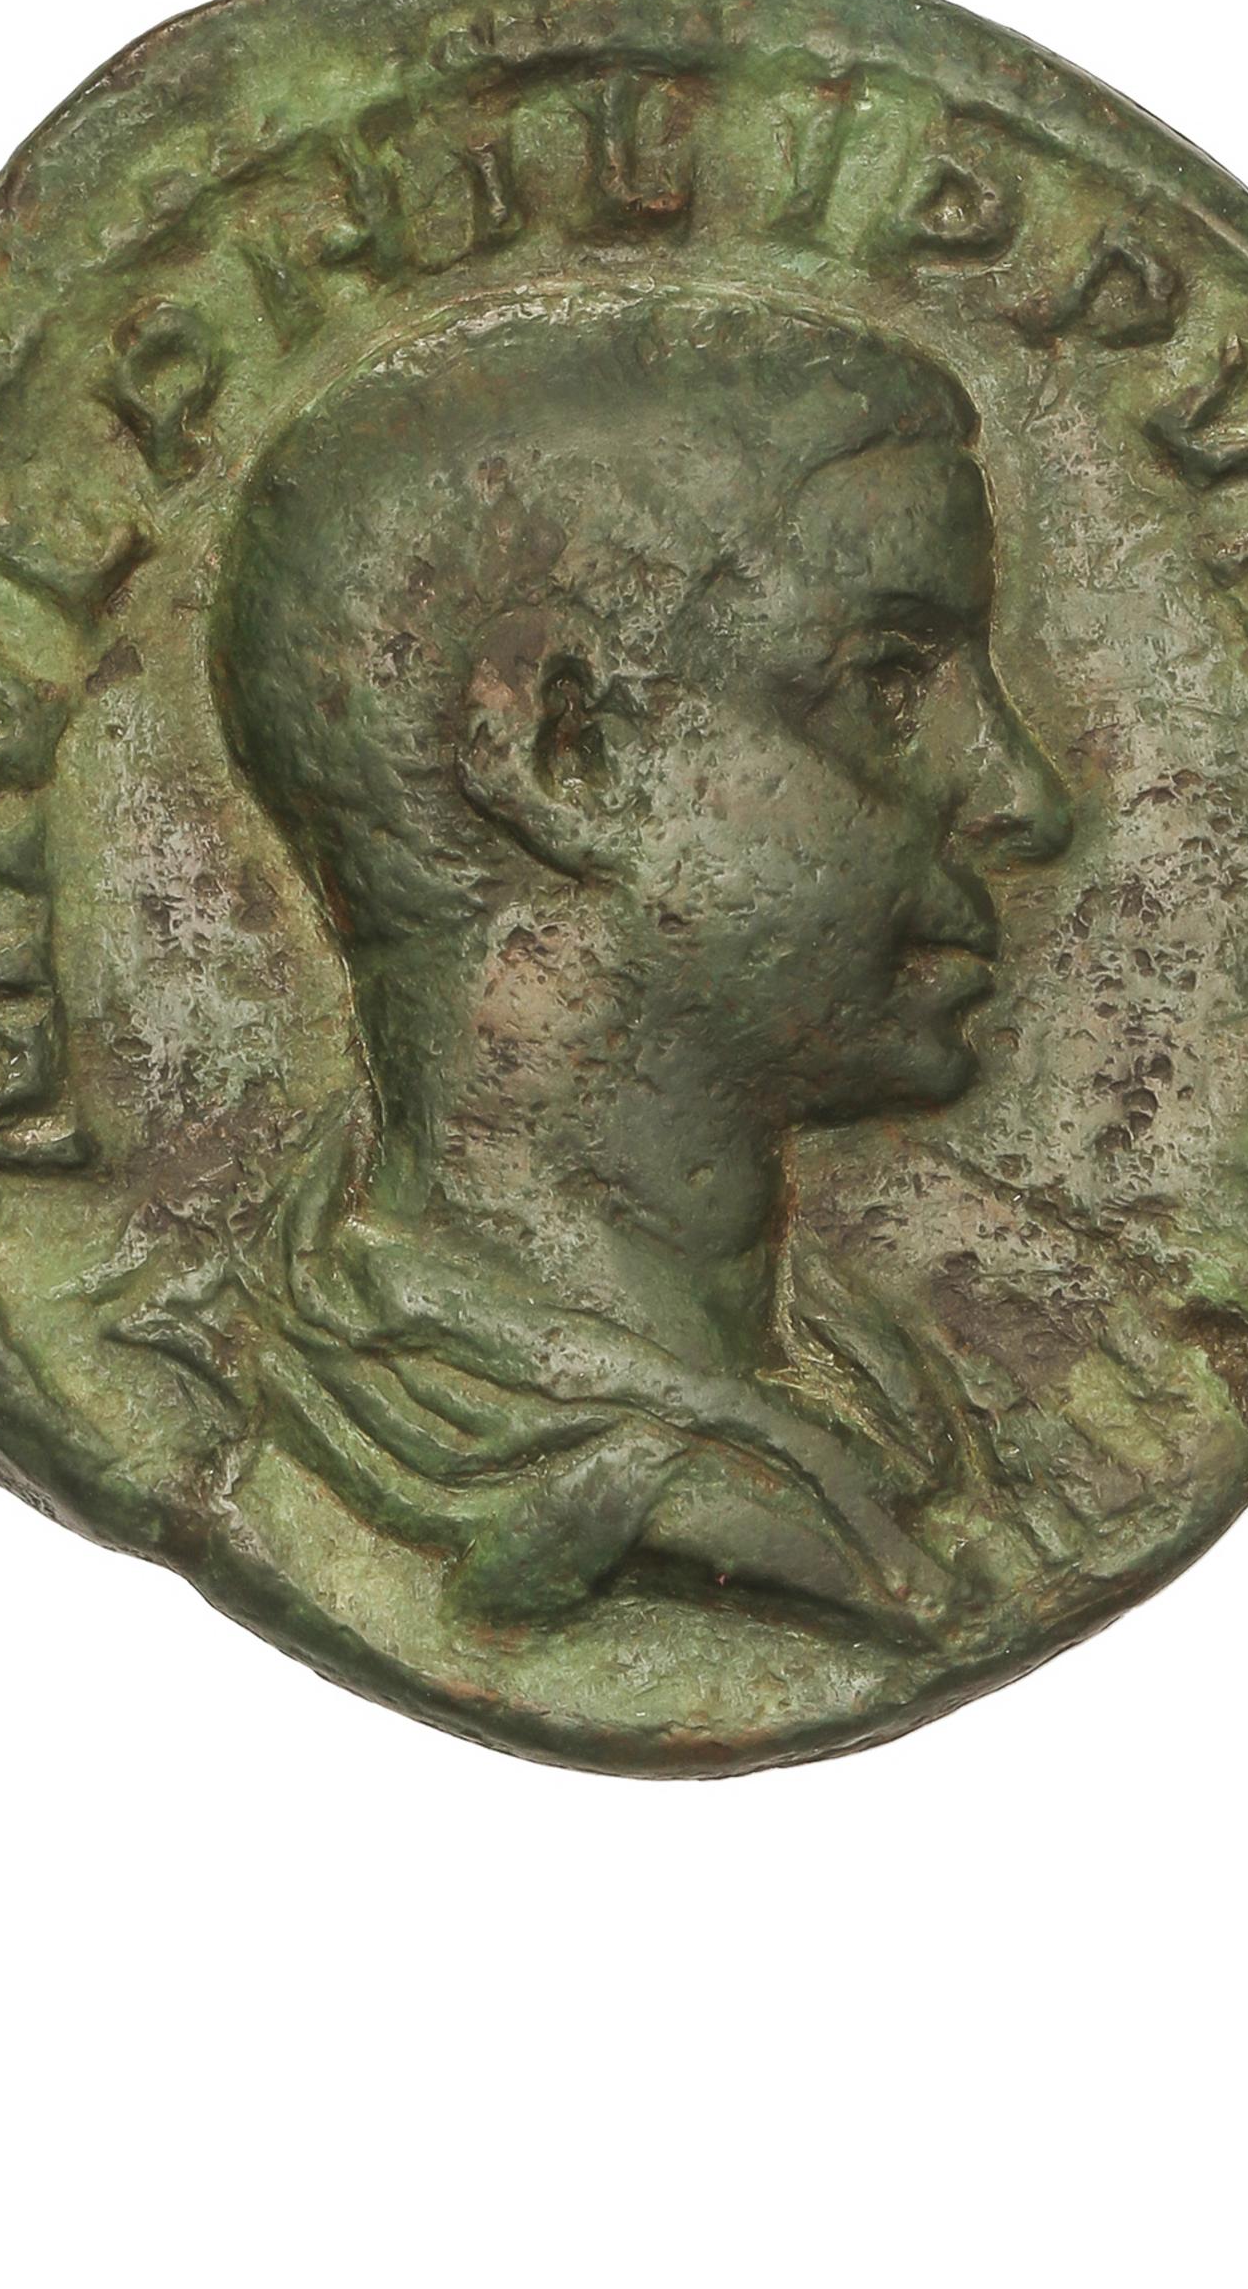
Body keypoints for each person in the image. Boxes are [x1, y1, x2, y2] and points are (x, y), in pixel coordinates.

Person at [133, 290, 1072, 1641]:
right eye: (885, 683)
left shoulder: (885, 1390)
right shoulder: (303, 1411)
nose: (1027, 800)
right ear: (566, 754)